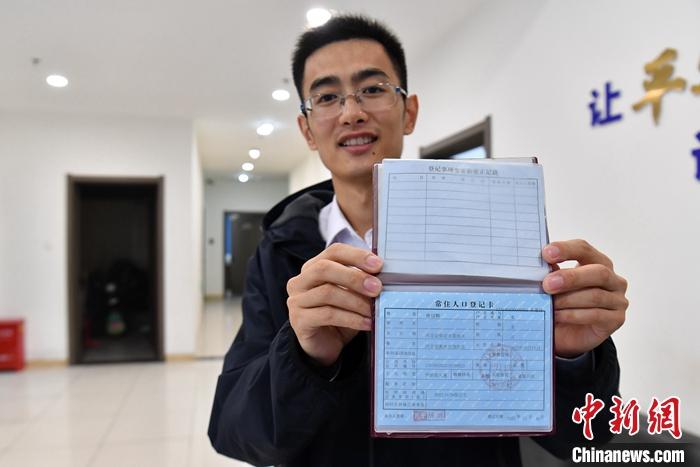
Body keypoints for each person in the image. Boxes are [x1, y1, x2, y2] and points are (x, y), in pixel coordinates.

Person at [209, 14, 629, 467]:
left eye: (372, 89)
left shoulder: (495, 236)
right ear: (307, 129)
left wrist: (571, 359)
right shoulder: (280, 251)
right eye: (327, 97)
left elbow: (584, 440)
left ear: (408, 112)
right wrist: (304, 357)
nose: (351, 113)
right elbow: (234, 431)